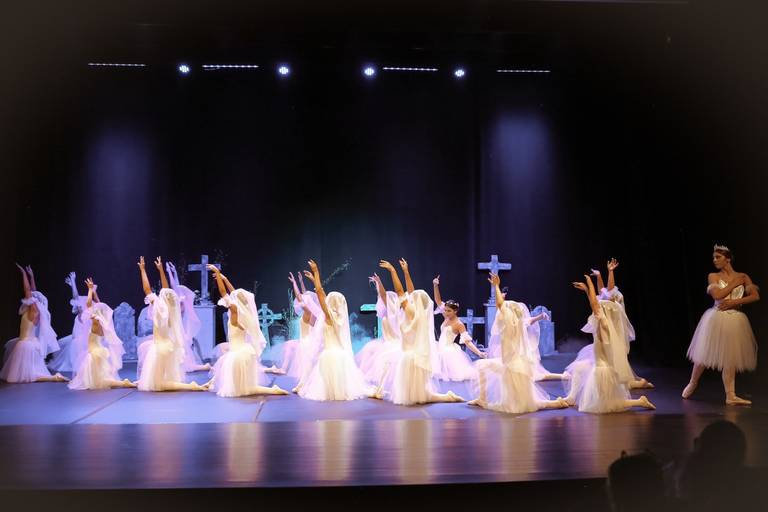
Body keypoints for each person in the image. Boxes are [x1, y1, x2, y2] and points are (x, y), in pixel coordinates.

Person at [468, 273, 568, 413]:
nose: (501, 312)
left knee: (519, 405)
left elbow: (500, 305)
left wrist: (496, 286)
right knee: (482, 366)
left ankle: (554, 404)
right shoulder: (519, 323)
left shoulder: (509, 323)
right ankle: (482, 399)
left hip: (512, 368)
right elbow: (522, 316)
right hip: (510, 363)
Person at [376, 259, 463, 405]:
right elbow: (411, 292)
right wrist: (406, 272)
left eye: (413, 298)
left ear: (415, 301)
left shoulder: (411, 312)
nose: (410, 297)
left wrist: (393, 271)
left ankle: (448, 397)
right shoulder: (420, 316)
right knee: (421, 396)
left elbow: (400, 291)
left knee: (415, 397)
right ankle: (447, 397)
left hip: (410, 359)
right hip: (418, 360)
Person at [564, 273, 655, 413]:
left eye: (599, 308)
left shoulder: (604, 324)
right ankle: (639, 400)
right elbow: (594, 304)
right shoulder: (604, 323)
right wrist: (587, 290)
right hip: (600, 367)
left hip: (603, 371)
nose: (596, 310)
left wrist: (590, 283)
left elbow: (594, 305)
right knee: (584, 376)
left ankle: (640, 401)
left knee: (607, 405)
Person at [683, 245, 758, 405]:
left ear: (728, 258)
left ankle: (730, 395)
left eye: (718, 257)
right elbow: (717, 295)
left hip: (735, 319)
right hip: (717, 317)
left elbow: (755, 296)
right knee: (704, 352)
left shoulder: (743, 276)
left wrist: (735, 302)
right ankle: (693, 382)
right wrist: (734, 284)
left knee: (731, 357)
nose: (714, 260)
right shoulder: (713, 276)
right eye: (713, 257)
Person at [206, 265, 289, 397]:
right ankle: (273, 390)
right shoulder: (245, 311)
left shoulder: (235, 311)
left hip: (238, 355)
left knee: (241, 389)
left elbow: (223, 293)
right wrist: (225, 279)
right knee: (245, 387)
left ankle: (273, 390)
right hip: (245, 352)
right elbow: (233, 294)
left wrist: (217, 272)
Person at [571, 259, 653, 389]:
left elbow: (606, 292)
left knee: (621, 378)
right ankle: (640, 382)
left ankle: (640, 383)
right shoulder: (605, 308)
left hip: (612, 325)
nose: (604, 294)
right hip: (609, 325)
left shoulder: (612, 306)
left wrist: (606, 274)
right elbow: (601, 294)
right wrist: (598, 277)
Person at [298, 259, 372, 401]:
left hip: (330, 356)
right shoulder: (339, 317)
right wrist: (314, 279)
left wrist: (316, 272)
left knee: (329, 388)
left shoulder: (328, 316)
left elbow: (320, 294)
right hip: (342, 357)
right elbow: (323, 296)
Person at [135, 256, 207, 391]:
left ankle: (191, 386)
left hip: (159, 348)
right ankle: (186, 385)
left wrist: (143, 270)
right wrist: (161, 270)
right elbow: (166, 290)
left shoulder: (158, 307)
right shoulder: (173, 308)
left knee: (157, 384)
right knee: (162, 379)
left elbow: (147, 289)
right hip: (170, 347)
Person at [1, 264, 67, 383]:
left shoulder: (34, 311)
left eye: (33, 298)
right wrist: (31, 276)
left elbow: (28, 291)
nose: (30, 297)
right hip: (29, 343)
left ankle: (54, 377)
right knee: (27, 374)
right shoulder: (33, 310)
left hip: (26, 345)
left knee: (26, 376)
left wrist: (23, 274)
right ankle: (54, 377)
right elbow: (32, 291)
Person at [68, 278, 135, 390]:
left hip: (95, 353)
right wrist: (94, 293)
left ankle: (123, 383)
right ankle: (122, 383)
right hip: (98, 351)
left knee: (99, 381)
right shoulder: (103, 323)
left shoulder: (96, 323)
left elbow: (89, 305)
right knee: (99, 378)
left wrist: (90, 290)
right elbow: (98, 306)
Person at [431, 275, 486, 381]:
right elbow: (438, 300)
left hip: (448, 353)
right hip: (440, 349)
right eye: (445, 310)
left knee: (452, 378)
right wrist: (435, 285)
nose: (446, 312)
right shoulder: (446, 317)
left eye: (449, 311)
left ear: (455, 311)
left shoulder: (459, 324)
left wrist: (479, 353)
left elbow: (467, 342)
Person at [165, 262, 211, 372]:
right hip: (177, 326)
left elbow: (174, 286)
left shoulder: (181, 303)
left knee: (184, 343)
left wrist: (171, 272)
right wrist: (172, 272)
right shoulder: (178, 299)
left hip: (180, 326)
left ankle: (187, 363)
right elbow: (174, 285)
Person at [48, 271, 91, 373]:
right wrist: (72, 285)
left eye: (80, 305)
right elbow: (76, 299)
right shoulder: (81, 316)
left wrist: (73, 282)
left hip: (80, 343)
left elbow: (76, 298)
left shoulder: (84, 316)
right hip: (76, 340)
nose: (78, 306)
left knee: (69, 347)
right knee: (62, 344)